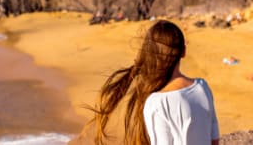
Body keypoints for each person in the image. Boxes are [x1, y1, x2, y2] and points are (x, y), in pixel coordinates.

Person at [88, 20, 219, 145]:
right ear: (183, 51)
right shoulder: (202, 87)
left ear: (149, 55)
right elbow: (214, 140)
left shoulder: (157, 102)